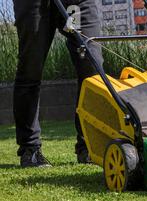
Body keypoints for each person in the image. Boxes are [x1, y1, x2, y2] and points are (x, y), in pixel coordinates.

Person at [12, 0, 103, 167]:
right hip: (35, 4)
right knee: (31, 67)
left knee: (92, 66)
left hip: (76, 3)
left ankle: (88, 146)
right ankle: (30, 149)